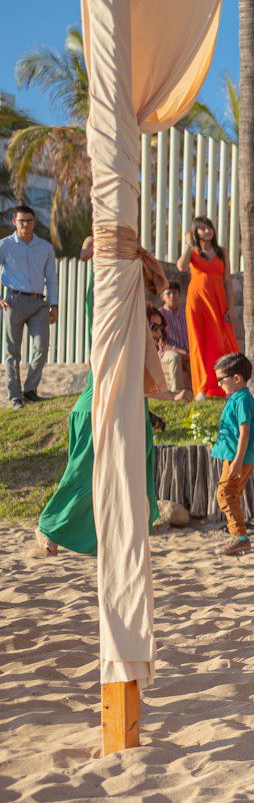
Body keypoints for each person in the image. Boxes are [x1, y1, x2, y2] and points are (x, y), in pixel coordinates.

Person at [34, 308, 187, 556]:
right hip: (93, 416)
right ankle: (48, 527)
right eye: (153, 326)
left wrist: (150, 416)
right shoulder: (122, 345)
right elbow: (129, 385)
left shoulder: (138, 351)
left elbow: (132, 391)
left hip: (112, 417)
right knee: (82, 478)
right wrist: (173, 395)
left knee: (114, 479)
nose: (158, 333)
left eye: (160, 328)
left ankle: (115, 537)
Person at [178, 215, 241, 399]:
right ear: (196, 232)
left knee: (222, 340)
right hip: (198, 303)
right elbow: (181, 266)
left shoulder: (222, 252)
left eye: (209, 227)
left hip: (218, 301)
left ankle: (228, 385)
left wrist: (231, 306)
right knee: (199, 341)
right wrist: (189, 245)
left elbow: (227, 280)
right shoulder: (193, 251)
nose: (207, 231)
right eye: (202, 228)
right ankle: (202, 388)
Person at [1, 205, 57, 408]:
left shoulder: (45, 248)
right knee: (11, 351)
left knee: (41, 347)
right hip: (13, 302)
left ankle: (30, 390)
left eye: (29, 220)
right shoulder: (5, 245)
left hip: (38, 303)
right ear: (14, 222)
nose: (26, 224)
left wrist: (54, 305)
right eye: (21, 220)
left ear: (34, 222)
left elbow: (51, 279)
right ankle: (15, 396)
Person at [211, 352, 254, 556]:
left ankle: (239, 537)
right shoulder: (237, 399)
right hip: (233, 457)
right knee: (230, 495)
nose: (219, 384)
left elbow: (244, 431)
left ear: (236, 378)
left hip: (237, 458)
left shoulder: (242, 401)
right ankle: (237, 535)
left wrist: (237, 461)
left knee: (225, 495)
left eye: (221, 380)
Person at [157, 285, 190, 397]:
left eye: (175, 292)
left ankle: (203, 391)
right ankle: (176, 394)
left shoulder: (185, 313)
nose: (172, 296)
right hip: (167, 351)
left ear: (179, 295)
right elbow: (159, 341)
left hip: (187, 351)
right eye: (168, 293)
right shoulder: (159, 315)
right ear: (162, 297)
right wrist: (178, 351)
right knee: (174, 357)